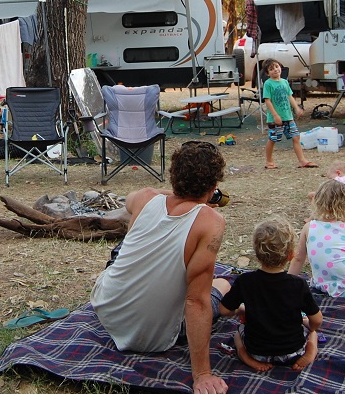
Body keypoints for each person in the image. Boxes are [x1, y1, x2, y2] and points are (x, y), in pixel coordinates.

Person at [91, 141, 231, 394]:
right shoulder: (211, 221)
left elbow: (132, 200)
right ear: (213, 188)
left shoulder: (146, 198)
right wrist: (202, 374)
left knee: (127, 246)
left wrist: (175, 193)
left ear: (174, 176)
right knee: (222, 284)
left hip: (107, 308)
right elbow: (196, 302)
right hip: (152, 336)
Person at [218, 216, 322, 372]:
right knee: (313, 332)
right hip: (293, 351)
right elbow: (317, 319)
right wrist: (309, 325)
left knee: (238, 335)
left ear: (256, 253)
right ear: (291, 255)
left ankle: (245, 356)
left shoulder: (245, 281)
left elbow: (223, 310)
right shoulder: (298, 284)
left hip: (257, 352)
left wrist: (239, 309)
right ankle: (310, 351)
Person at [261, 59, 315, 169]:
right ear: (267, 73)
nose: (275, 70)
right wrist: (275, 115)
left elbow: (290, 96)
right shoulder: (268, 84)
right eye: (271, 69)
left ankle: (302, 160)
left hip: (288, 117)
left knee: (296, 137)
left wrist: (296, 108)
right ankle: (269, 161)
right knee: (273, 139)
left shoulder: (285, 82)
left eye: (277, 67)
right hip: (276, 118)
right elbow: (267, 101)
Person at [309, 160, 345, 225]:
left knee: (316, 196)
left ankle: (312, 218)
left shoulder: (339, 180)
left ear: (338, 173)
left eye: (330, 178)